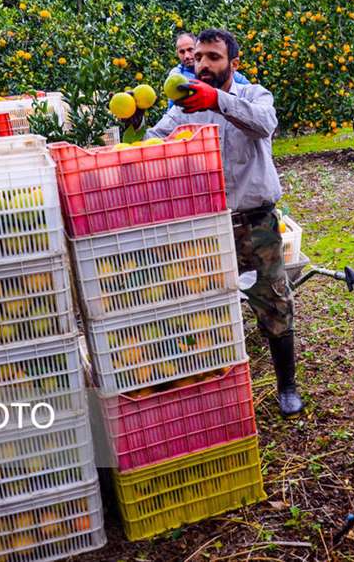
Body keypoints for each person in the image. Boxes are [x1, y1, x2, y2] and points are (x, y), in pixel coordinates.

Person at [146, 29, 302, 417]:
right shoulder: (184, 107)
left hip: (255, 221)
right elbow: (154, 141)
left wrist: (217, 101)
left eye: (213, 57)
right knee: (205, 303)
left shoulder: (254, 95)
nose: (202, 64)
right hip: (207, 225)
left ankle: (287, 385)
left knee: (273, 300)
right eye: (199, 57)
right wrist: (135, 125)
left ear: (233, 63)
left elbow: (265, 123)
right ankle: (214, 380)